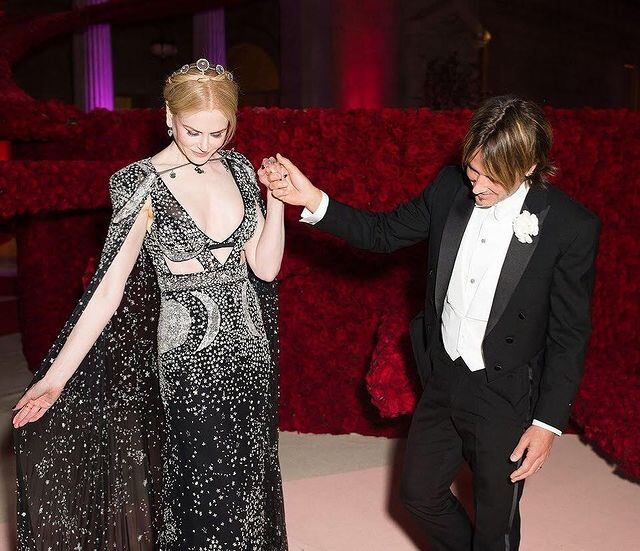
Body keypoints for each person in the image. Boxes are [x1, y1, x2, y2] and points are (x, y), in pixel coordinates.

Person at [265, 95, 600, 550]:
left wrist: (547, 424)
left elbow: (569, 335)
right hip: (445, 375)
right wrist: (313, 200)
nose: (475, 184)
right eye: (472, 169)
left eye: (490, 176)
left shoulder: (570, 226)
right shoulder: (449, 188)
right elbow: (382, 234)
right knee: (417, 493)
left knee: (495, 522)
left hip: (506, 391)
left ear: (527, 167)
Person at [12, 58, 288, 550]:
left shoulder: (242, 169)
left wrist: (279, 203)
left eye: (218, 132)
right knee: (203, 497)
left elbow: (265, 269)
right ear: (167, 117)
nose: (205, 144)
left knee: (248, 491)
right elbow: (108, 289)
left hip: (253, 356)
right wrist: (55, 378)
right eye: (192, 131)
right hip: (190, 363)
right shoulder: (141, 183)